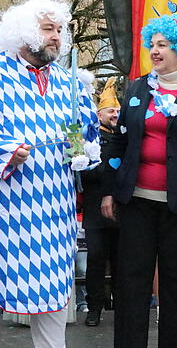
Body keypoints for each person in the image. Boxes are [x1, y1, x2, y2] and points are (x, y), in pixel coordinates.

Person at [0, 0, 101, 348]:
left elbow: (85, 134)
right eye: (49, 29)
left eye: (60, 30)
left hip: (53, 207)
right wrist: (4, 149)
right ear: (23, 32)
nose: (56, 38)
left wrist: (81, 149)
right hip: (0, 209)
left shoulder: (69, 82)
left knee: (52, 292)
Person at [101, 13, 177, 348]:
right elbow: (119, 142)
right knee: (131, 283)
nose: (154, 51)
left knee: (175, 285)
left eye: (163, 45)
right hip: (136, 202)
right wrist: (111, 190)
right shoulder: (138, 88)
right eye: (152, 44)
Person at [80, 77, 121, 327]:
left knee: (121, 262)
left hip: (121, 213)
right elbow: (84, 171)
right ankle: (94, 308)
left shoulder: (123, 138)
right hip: (95, 211)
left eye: (117, 110)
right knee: (95, 260)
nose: (115, 114)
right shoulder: (90, 139)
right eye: (110, 111)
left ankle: (119, 308)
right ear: (99, 114)